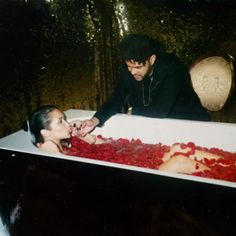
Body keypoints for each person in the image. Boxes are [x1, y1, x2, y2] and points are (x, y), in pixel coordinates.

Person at [79, 33, 210, 136]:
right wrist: (94, 121)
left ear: (151, 59)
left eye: (138, 66)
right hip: (157, 124)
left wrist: (133, 112)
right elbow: (115, 100)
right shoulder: (129, 70)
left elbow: (159, 111)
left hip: (192, 123)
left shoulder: (172, 67)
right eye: (129, 66)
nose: (133, 72)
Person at [28, 105, 104, 154]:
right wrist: (56, 153)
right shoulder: (47, 152)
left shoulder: (64, 144)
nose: (68, 124)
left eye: (64, 119)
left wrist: (83, 135)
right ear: (45, 132)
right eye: (60, 122)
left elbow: (106, 144)